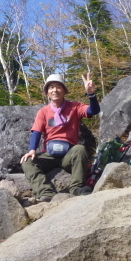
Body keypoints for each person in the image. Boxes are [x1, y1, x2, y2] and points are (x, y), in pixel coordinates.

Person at [21, 73, 100, 201]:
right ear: (47, 92)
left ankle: (77, 188)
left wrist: (91, 94)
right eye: (51, 87)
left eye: (58, 87)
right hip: (49, 155)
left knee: (80, 149)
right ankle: (46, 192)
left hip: (69, 154)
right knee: (27, 161)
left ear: (64, 91)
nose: (55, 90)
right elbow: (36, 132)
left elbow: (93, 111)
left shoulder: (74, 107)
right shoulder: (43, 111)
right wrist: (32, 150)